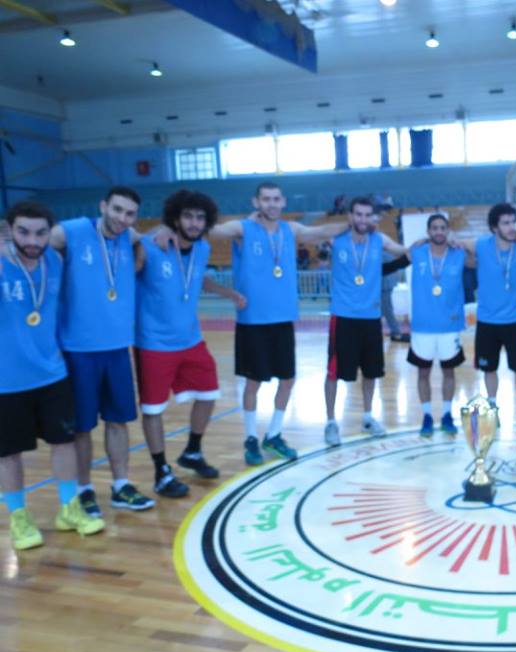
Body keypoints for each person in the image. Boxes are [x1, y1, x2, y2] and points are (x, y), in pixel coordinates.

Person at [187, 182, 346, 466]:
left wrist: (352, 223)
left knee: (287, 380)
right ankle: (250, 437)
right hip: (253, 320)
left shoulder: (290, 229)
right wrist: (180, 223)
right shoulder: (243, 228)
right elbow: (212, 230)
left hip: (283, 319)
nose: (271, 204)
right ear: (256, 202)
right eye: (266, 199)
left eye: (276, 199)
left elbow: (320, 231)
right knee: (254, 382)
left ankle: (273, 434)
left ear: (283, 202)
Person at [1, 200, 104, 550]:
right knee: (8, 453)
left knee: (64, 443)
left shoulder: (55, 262)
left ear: (50, 233)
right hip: (5, 381)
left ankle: (68, 509)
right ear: (10, 230)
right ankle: (19, 518)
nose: (32, 240)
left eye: (40, 232)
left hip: (52, 373)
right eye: (24, 232)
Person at [49, 186, 153, 516]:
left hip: (118, 347)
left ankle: (121, 485)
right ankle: (84, 489)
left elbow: (140, 240)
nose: (122, 218)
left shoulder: (128, 237)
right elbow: (36, 247)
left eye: (130, 213)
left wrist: (140, 255)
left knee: (118, 421)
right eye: (117, 209)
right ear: (103, 206)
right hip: (78, 349)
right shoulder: (73, 231)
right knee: (82, 426)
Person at [135, 190, 245, 498]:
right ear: (174, 217)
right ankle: (161, 471)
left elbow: (197, 279)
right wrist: (156, 231)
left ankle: (192, 451)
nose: (194, 223)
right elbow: (127, 250)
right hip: (154, 343)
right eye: (187, 216)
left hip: (191, 340)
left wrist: (229, 293)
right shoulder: (151, 246)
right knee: (153, 409)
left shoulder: (203, 248)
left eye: (200, 217)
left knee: (209, 394)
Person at [323, 197, 412, 446]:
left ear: (373, 217)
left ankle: (367, 417)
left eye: (367, 215)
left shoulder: (379, 240)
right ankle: (330, 422)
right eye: (358, 214)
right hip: (343, 317)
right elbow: (313, 238)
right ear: (350, 216)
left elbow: (402, 251)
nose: (363, 219)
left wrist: (421, 246)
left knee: (371, 372)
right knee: (333, 373)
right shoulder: (336, 239)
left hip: (371, 318)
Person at [447, 203, 516, 433]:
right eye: (506, 223)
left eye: (513, 222)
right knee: (489, 369)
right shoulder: (481, 245)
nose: (511, 227)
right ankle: (493, 410)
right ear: (495, 227)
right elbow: (455, 240)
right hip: (488, 321)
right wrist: (451, 238)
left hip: (515, 320)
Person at [407, 214, 467, 436]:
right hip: (422, 327)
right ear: (428, 231)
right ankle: (426, 416)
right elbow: (400, 252)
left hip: (450, 326)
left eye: (443, 228)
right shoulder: (417, 252)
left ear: (448, 230)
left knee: (448, 372)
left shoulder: (459, 253)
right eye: (434, 228)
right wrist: (417, 242)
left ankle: (447, 414)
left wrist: (460, 241)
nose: (439, 232)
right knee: (423, 373)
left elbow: (477, 258)